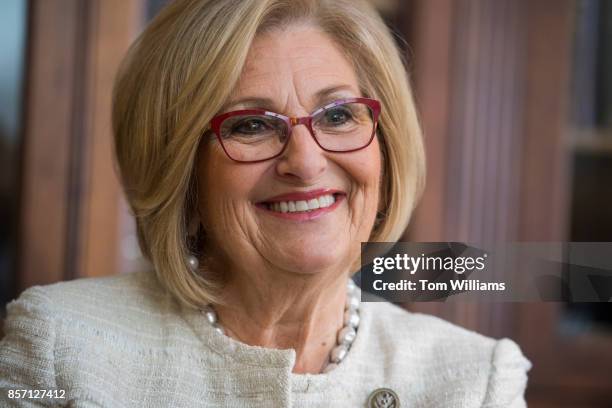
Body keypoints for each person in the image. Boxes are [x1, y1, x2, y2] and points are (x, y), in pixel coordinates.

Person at [0, 0, 531, 406]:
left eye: (339, 115)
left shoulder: (475, 379)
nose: (304, 161)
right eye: (251, 124)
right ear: (181, 168)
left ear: (385, 148)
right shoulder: (61, 348)